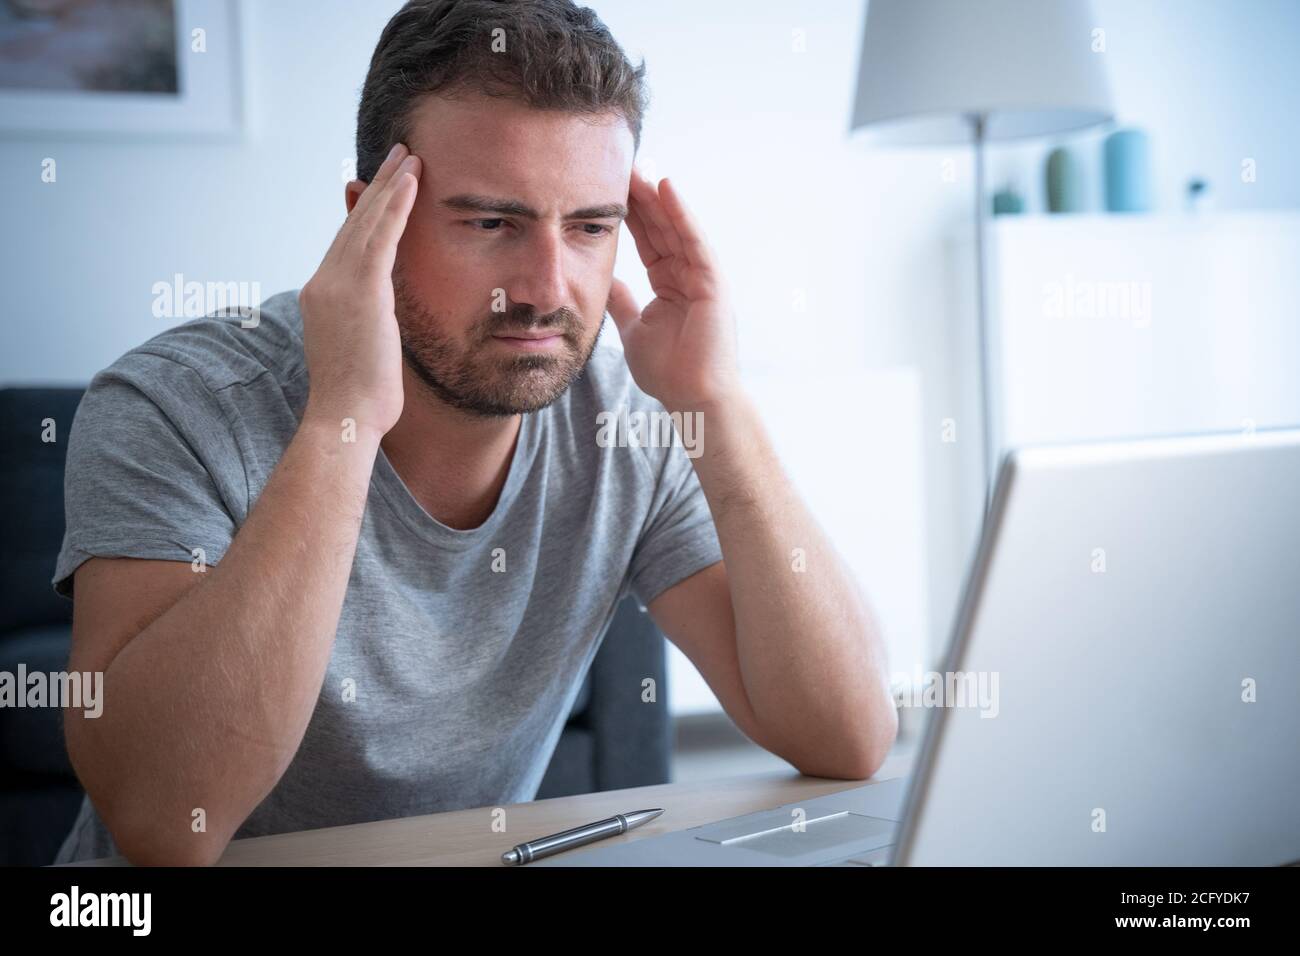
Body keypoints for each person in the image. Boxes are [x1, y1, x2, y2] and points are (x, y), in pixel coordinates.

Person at [52, 0, 896, 866]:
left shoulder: (629, 419)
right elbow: (163, 822)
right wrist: (343, 421)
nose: (545, 288)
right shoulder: (172, 405)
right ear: (368, 222)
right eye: (493, 223)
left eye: (590, 227)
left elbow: (849, 737)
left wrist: (717, 404)